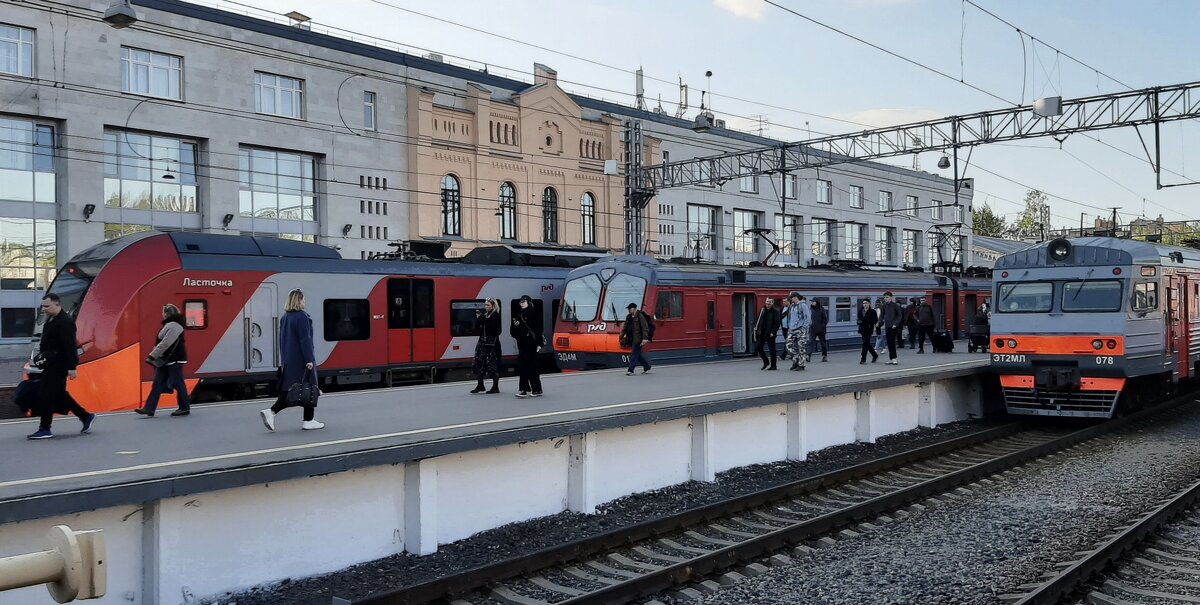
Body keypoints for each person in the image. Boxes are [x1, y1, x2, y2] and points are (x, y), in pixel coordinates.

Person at [27, 293, 94, 439]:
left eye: (47, 306)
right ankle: (86, 416)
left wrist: (72, 367)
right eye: (43, 306)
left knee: (46, 395)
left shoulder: (65, 322)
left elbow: (70, 346)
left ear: (57, 304)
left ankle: (45, 428)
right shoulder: (52, 319)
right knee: (59, 394)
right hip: (51, 364)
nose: (43, 309)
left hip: (59, 364)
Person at [260, 289, 324, 431]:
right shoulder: (302, 317)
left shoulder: (285, 317)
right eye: (304, 299)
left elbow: (283, 341)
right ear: (299, 300)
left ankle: (272, 412)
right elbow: (305, 340)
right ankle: (308, 420)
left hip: (289, 359)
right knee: (309, 388)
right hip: (302, 360)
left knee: (291, 390)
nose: (305, 302)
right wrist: (309, 360)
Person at [134, 304, 191, 417]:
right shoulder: (171, 325)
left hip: (174, 359)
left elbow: (165, 343)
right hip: (166, 359)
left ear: (167, 313)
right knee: (158, 383)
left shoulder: (174, 326)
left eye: (164, 312)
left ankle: (184, 407)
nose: (162, 315)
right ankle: (149, 408)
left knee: (178, 383)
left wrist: (152, 355)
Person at [511, 294, 543, 397]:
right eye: (520, 302)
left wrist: (539, 344)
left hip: (531, 344)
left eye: (524, 302)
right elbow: (513, 332)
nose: (522, 304)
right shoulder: (518, 314)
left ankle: (536, 389)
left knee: (531, 367)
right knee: (523, 367)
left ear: (529, 302)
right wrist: (515, 327)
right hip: (522, 344)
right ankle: (524, 389)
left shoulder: (533, 314)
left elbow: (538, 330)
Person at [470, 298, 503, 394]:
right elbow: (478, 327)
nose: (486, 307)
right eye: (485, 305)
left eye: (488, 305)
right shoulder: (485, 315)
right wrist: (478, 319)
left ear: (493, 306)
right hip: (482, 343)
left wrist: (482, 319)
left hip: (492, 344)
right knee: (479, 363)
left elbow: (494, 329)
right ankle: (480, 385)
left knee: (492, 364)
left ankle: (495, 386)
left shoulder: (496, 316)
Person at [620, 302, 653, 376]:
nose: (628, 310)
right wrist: (621, 336)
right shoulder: (628, 317)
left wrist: (645, 338)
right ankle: (647, 366)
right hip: (631, 338)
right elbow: (625, 328)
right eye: (628, 309)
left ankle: (630, 370)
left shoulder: (640, 316)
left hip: (639, 339)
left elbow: (645, 328)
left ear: (634, 309)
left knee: (634, 354)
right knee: (637, 354)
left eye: (630, 309)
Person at [784, 292, 810, 370]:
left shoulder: (803, 305)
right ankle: (796, 359)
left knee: (801, 347)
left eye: (791, 298)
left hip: (800, 329)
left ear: (795, 297)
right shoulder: (792, 306)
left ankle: (801, 365)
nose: (791, 300)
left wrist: (804, 328)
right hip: (792, 329)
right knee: (788, 346)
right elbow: (790, 318)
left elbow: (807, 318)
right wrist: (789, 328)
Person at [754, 297, 780, 370]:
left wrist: (773, 332)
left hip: (770, 333)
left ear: (772, 303)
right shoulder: (762, 310)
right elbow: (758, 320)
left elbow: (777, 324)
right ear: (765, 301)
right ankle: (766, 361)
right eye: (767, 301)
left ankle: (773, 366)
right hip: (762, 333)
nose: (768, 303)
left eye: (770, 302)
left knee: (772, 350)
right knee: (758, 347)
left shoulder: (775, 312)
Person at [881, 291, 904, 365]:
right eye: (884, 297)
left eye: (887, 297)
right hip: (887, 326)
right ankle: (891, 358)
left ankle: (894, 358)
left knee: (892, 342)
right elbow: (881, 316)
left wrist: (895, 324)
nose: (885, 299)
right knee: (889, 342)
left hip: (893, 327)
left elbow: (899, 316)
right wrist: (879, 323)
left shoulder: (895, 306)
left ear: (891, 297)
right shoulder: (884, 306)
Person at [857, 298, 879, 364]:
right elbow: (858, 319)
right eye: (863, 303)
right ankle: (875, 355)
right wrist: (858, 322)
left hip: (869, 330)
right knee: (867, 344)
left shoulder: (873, 312)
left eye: (866, 303)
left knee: (865, 344)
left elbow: (876, 321)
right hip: (862, 330)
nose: (864, 304)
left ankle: (863, 359)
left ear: (869, 304)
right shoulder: (860, 311)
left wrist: (877, 331)